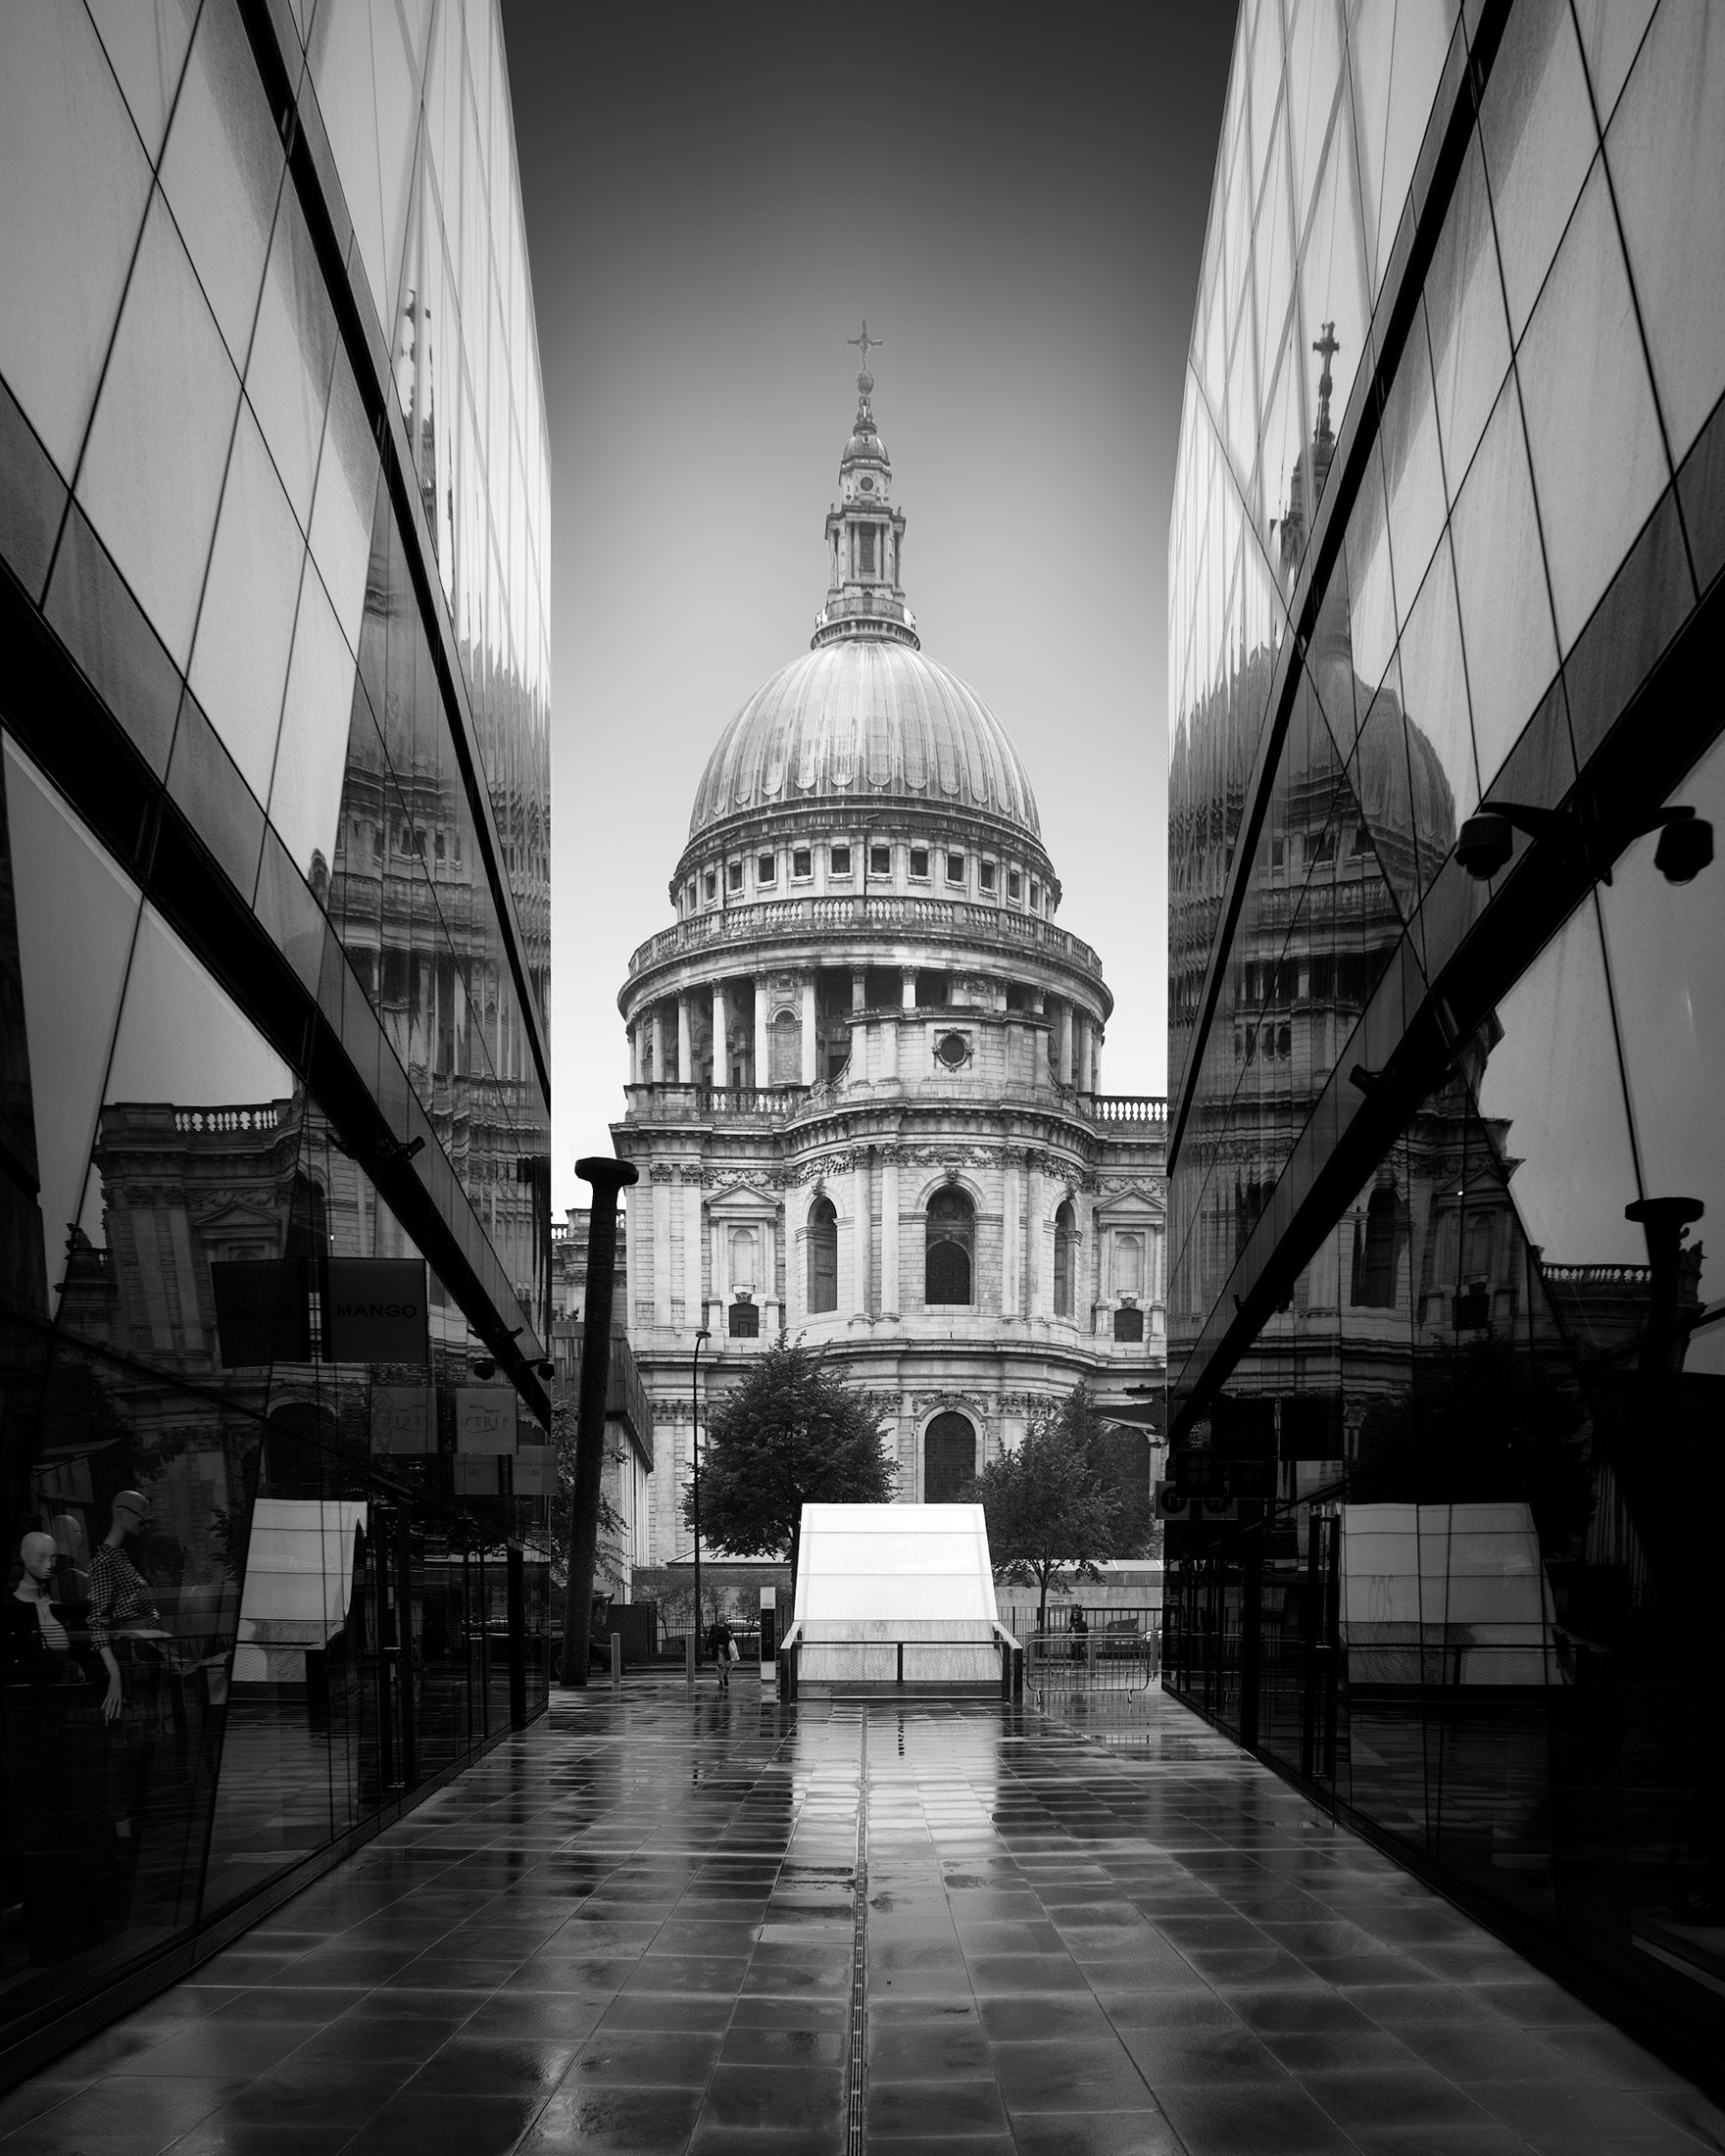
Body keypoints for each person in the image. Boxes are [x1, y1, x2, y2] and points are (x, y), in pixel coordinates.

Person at [710, 1615, 734, 1691]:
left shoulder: (728, 1627)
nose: (720, 1617)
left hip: (726, 1648)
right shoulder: (714, 1626)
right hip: (718, 1648)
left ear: (725, 1618)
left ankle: (725, 1676)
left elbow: (731, 1638)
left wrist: (730, 1635)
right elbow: (711, 1637)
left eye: (722, 1616)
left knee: (728, 1665)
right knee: (720, 1665)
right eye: (719, 1616)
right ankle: (720, 1680)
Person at [1069, 1603, 1089, 1667]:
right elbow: (1069, 1631)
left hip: (1079, 1642)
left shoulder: (1082, 1624)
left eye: (1076, 1615)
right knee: (1074, 1656)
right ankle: (1072, 1668)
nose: (1074, 1616)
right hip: (1073, 1642)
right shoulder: (1073, 1624)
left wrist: (1083, 1643)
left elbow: (1085, 1633)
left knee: (1079, 1657)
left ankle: (1088, 1667)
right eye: (1074, 1615)